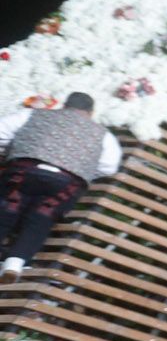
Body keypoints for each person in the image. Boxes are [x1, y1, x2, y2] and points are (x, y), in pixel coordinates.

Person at [0, 92, 122, 279]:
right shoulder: (104, 136)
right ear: (91, 112)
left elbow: (2, 131)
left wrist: (11, 151)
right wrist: (83, 170)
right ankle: (14, 264)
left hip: (24, 170)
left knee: (8, 208)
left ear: (65, 105)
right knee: (41, 220)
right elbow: (109, 166)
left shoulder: (33, 114)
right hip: (66, 182)